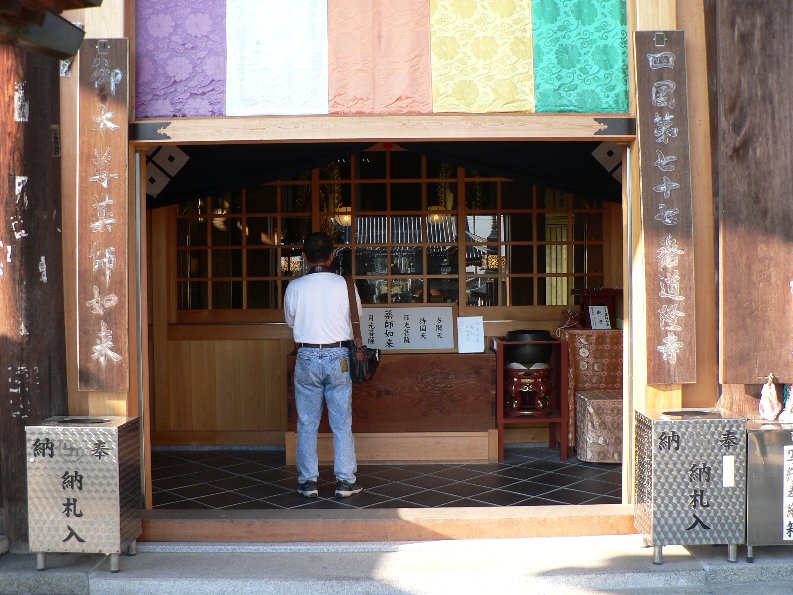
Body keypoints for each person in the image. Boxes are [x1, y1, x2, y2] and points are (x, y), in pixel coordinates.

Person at [284, 231, 363, 498]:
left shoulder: (295, 287)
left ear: (305, 257)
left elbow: (291, 322)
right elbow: (356, 317)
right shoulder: (345, 285)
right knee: (342, 422)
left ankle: (308, 482)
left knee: (307, 422)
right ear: (332, 256)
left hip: (307, 355)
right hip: (338, 356)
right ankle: (345, 481)